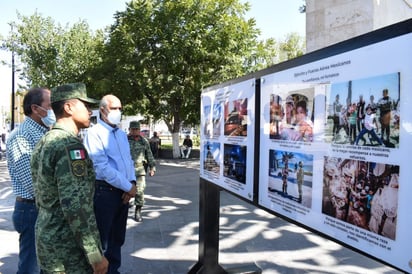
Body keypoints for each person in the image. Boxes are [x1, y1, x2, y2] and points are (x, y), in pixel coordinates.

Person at [30, 83, 108, 273]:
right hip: (69, 250)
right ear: (68, 107)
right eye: (86, 106)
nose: (90, 111)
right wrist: (95, 255)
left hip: (49, 240)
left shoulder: (45, 141)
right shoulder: (69, 147)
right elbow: (76, 205)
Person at [84, 94, 137, 273]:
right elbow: (102, 167)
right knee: (103, 240)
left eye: (120, 108)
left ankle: (114, 270)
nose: (118, 112)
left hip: (123, 192)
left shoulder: (121, 134)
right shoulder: (94, 133)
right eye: (114, 108)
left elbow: (128, 161)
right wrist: (128, 187)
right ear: (103, 110)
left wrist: (132, 183)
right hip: (105, 192)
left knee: (117, 238)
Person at [6, 87, 54, 273]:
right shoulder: (22, 136)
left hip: (43, 207)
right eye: (50, 106)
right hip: (32, 209)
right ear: (35, 108)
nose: (53, 111)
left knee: (45, 265)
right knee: (30, 267)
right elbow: (32, 182)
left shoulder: (45, 132)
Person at [128, 121, 156, 222]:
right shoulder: (124, 140)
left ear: (139, 130)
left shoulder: (143, 141)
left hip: (140, 170)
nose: (135, 131)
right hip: (126, 171)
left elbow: (149, 155)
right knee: (124, 191)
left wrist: (152, 167)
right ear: (129, 129)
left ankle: (138, 211)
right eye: (133, 129)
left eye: (137, 129)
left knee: (140, 191)